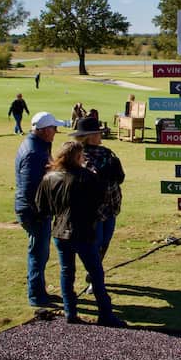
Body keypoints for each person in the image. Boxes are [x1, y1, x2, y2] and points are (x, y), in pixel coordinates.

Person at [35, 140, 124, 327]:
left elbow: (41, 206)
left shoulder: (49, 177)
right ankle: (106, 314)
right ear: (77, 157)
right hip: (83, 232)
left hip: (60, 231)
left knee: (67, 272)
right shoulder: (86, 177)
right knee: (96, 273)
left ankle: (70, 311)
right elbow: (100, 200)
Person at [14, 111, 68, 307]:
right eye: (54, 128)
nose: (56, 131)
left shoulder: (38, 146)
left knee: (40, 252)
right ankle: (36, 296)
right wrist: (41, 210)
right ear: (44, 130)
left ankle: (39, 290)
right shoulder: (34, 153)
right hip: (33, 212)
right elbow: (30, 189)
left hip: (33, 209)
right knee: (38, 253)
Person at [72, 116, 125, 259]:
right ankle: (94, 274)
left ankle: (95, 271)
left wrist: (116, 171)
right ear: (89, 136)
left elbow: (119, 178)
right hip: (93, 211)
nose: (100, 135)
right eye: (97, 133)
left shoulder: (107, 153)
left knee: (105, 241)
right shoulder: (78, 156)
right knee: (96, 242)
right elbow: (90, 180)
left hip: (111, 206)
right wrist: (102, 173)